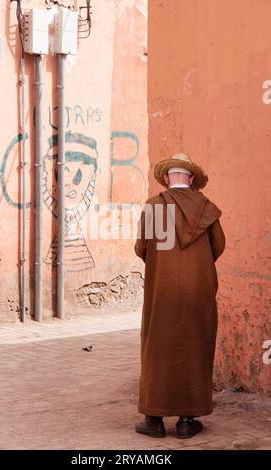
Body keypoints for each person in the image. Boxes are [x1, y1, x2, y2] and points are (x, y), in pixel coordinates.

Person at [134, 153, 226, 439]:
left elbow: (142, 248)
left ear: (165, 179)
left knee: (157, 347)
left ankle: (154, 419)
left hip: (162, 291)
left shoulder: (153, 208)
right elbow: (218, 247)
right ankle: (187, 421)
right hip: (198, 291)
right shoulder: (207, 209)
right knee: (195, 346)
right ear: (191, 180)